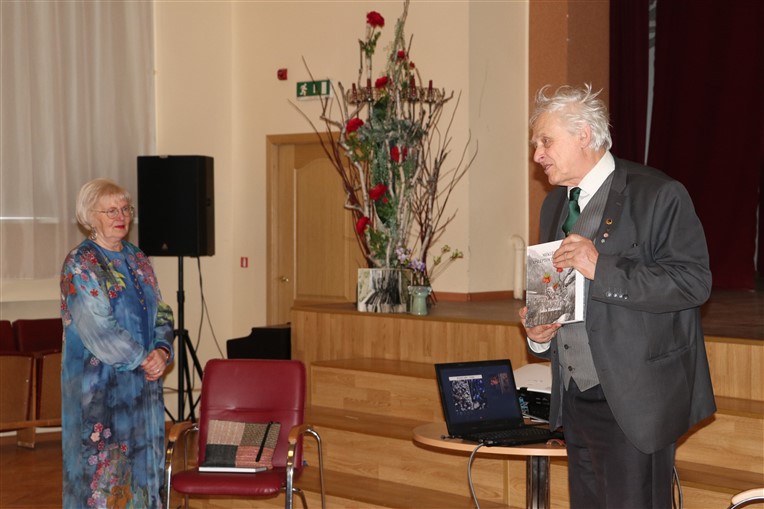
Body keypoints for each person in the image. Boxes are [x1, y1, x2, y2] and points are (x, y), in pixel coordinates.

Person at [519, 84, 716, 508]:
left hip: (635, 399)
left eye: (545, 141)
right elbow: (559, 295)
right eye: (536, 144)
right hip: (575, 396)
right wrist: (539, 333)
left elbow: (693, 283)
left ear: (584, 135)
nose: (537, 155)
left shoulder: (657, 193)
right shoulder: (554, 206)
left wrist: (601, 267)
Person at [60, 178, 174, 508]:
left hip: (143, 388)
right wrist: (145, 358)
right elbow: (98, 329)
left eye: (125, 209)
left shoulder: (138, 258)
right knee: (100, 483)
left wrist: (162, 350)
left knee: (144, 474)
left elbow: (161, 310)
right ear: (89, 217)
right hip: (98, 392)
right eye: (110, 211)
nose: (120, 216)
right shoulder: (81, 263)